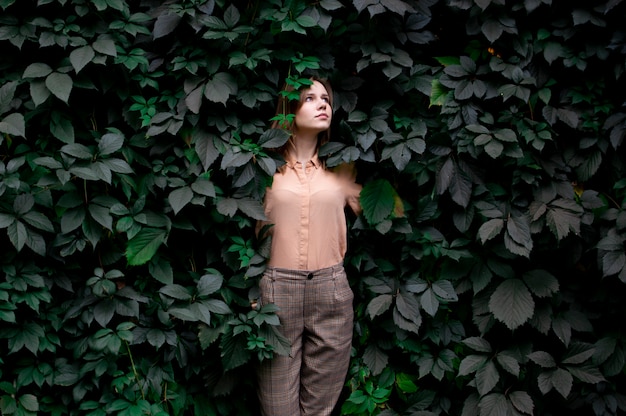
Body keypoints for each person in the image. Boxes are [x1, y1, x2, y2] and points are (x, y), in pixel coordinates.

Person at [255, 76, 362, 416]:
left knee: (320, 411)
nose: (322, 104)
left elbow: (387, 214)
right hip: (275, 292)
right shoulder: (262, 166)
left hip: (330, 291)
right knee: (277, 409)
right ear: (289, 107)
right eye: (309, 98)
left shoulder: (342, 169)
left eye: (326, 99)